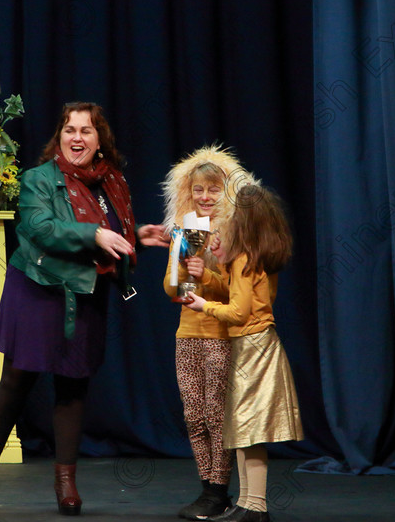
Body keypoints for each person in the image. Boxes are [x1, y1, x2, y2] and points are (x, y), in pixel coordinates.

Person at [0, 101, 166, 516]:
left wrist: (136, 237)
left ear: (99, 140)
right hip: (37, 287)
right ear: (60, 136)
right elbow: (40, 228)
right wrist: (94, 235)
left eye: (86, 131)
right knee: (17, 379)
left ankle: (66, 483)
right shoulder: (38, 178)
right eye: (69, 130)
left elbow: (113, 235)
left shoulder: (113, 182)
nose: (77, 138)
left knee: (73, 386)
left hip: (86, 290)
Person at [184, 183, 303, 522]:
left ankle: (256, 505)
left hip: (253, 346)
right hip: (254, 345)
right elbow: (242, 294)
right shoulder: (251, 257)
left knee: (248, 430)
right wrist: (221, 262)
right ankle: (248, 503)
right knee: (241, 429)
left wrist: (205, 304)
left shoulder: (245, 260)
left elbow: (237, 311)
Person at [161, 145, 254, 520]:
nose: (205, 197)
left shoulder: (235, 236)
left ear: (227, 191)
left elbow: (238, 293)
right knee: (194, 416)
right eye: (198, 190)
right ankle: (207, 489)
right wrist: (184, 269)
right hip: (187, 335)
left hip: (220, 335)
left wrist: (208, 273)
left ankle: (220, 490)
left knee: (218, 416)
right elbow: (170, 291)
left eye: (213, 189)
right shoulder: (182, 232)